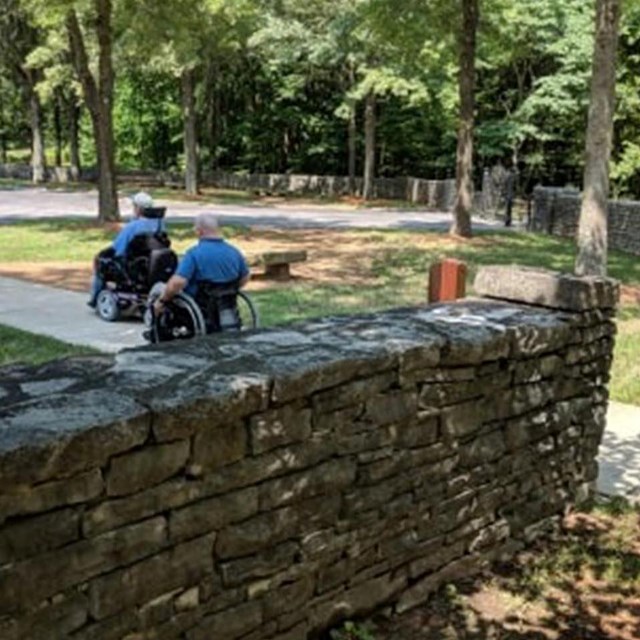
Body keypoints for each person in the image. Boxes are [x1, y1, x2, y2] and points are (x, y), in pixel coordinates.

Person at [153, 212, 250, 316]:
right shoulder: (234, 252)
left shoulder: (194, 254)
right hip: (226, 303)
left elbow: (178, 282)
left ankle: (151, 325)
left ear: (199, 231)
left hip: (199, 303)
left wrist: (162, 300)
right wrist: (228, 290)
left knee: (158, 288)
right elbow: (245, 277)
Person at [88, 192, 165, 307]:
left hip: (131, 265)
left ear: (138, 209)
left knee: (99, 259)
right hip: (153, 263)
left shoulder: (132, 227)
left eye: (134, 206)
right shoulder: (160, 225)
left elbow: (118, 249)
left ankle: (94, 297)